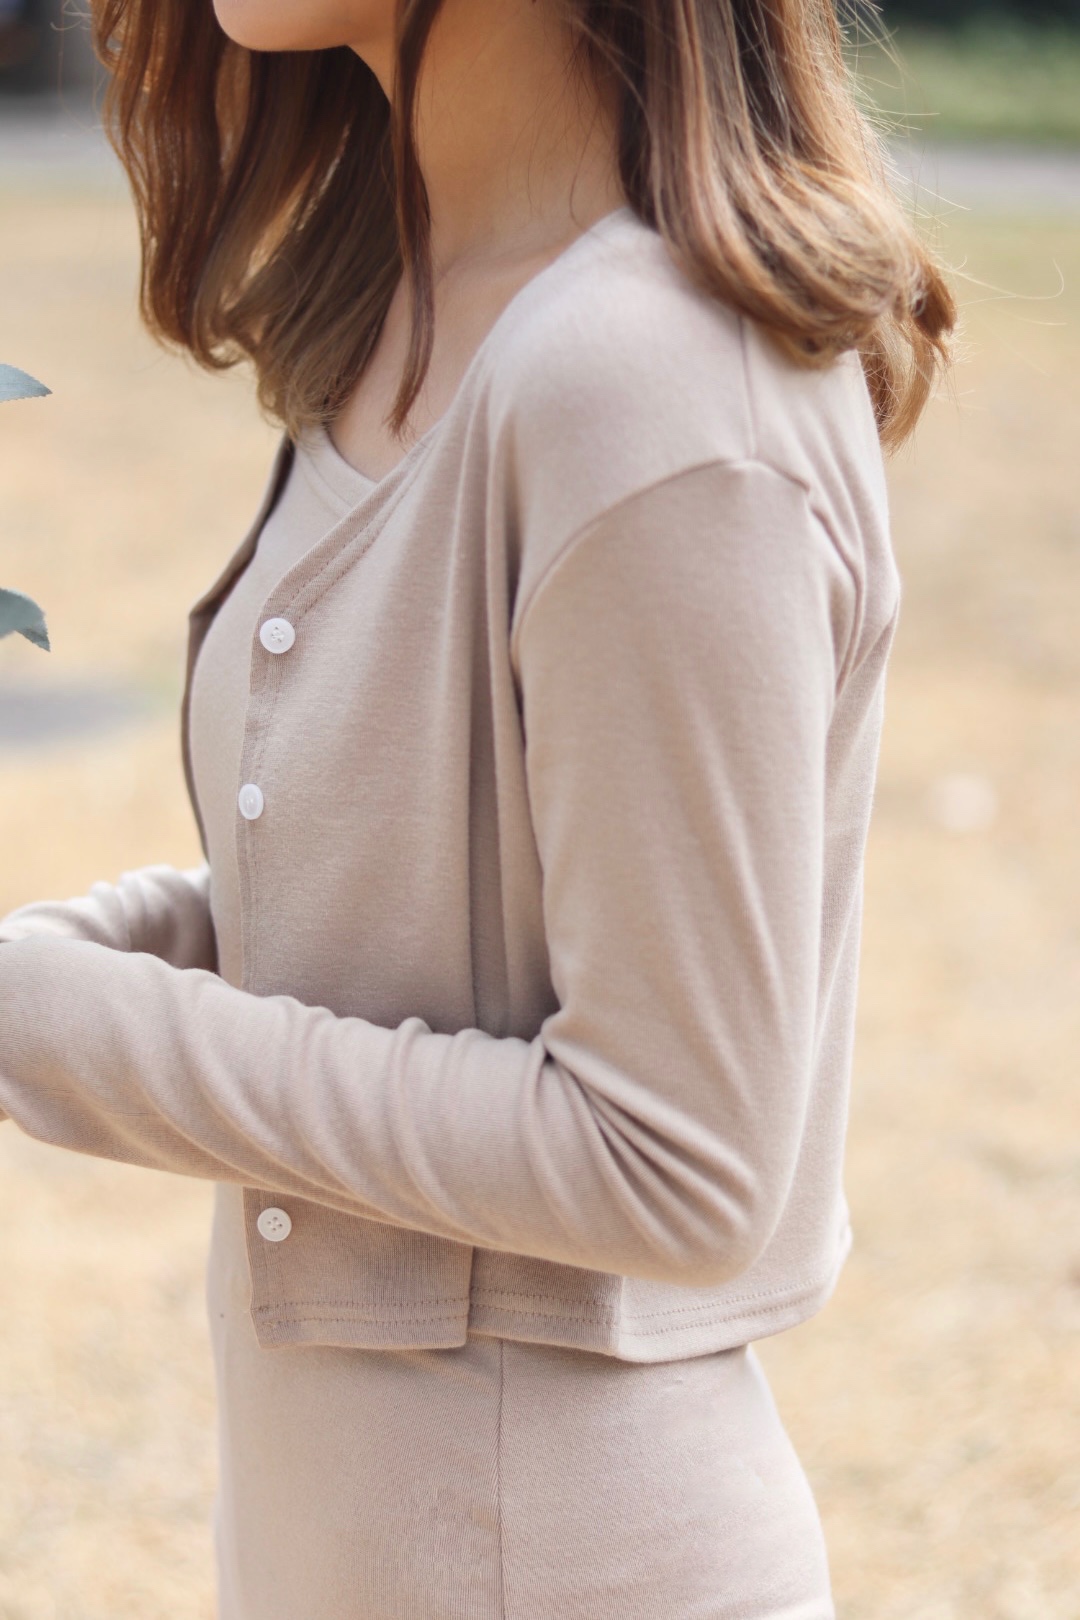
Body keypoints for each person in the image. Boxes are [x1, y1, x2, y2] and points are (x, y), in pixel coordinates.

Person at [0, 0, 955, 1614]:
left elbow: (674, 1159)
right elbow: (398, 903)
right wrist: (49, 969)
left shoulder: (653, 382)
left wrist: (70, 1034)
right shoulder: (408, 305)